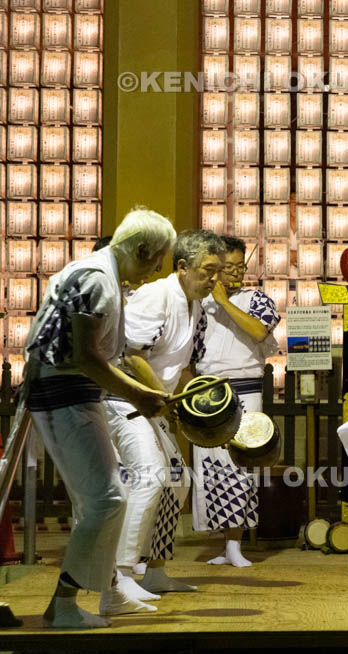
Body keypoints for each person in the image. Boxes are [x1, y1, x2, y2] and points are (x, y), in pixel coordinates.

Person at [24, 208, 174, 627]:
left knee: (104, 500)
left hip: (62, 393)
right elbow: (84, 356)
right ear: (142, 249)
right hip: (64, 396)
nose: (154, 270)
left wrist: (142, 393)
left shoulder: (89, 271)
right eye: (157, 258)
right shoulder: (98, 280)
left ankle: (108, 592)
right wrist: (138, 396)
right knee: (108, 500)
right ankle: (64, 604)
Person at [104, 230, 226, 600]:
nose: (215, 279)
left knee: (178, 480)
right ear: (184, 267)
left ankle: (154, 571)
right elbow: (130, 353)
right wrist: (160, 399)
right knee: (153, 476)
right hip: (122, 398)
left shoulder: (193, 303)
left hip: (154, 402)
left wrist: (192, 403)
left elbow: (181, 365)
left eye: (218, 272)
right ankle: (122, 573)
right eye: (208, 271)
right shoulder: (157, 294)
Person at [191, 236, 279, 568]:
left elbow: (259, 333)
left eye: (240, 266)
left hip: (246, 390)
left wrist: (225, 303)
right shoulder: (199, 305)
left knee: (241, 465)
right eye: (228, 267)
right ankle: (221, 542)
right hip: (207, 392)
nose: (236, 273)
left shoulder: (257, 298)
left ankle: (235, 543)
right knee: (211, 468)